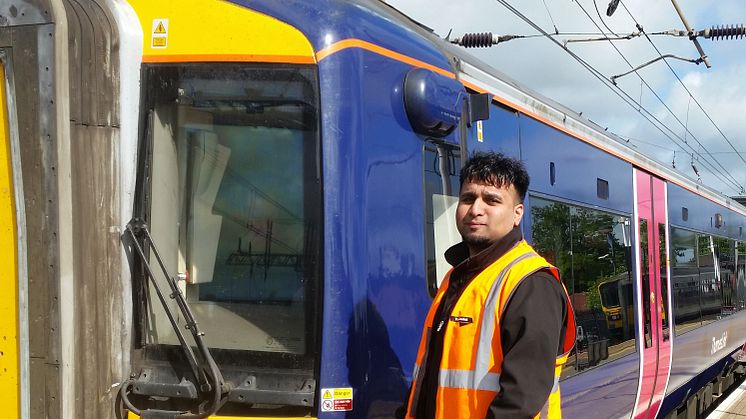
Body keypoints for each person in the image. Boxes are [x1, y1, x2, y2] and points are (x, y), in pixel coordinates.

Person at [404, 152, 576, 419]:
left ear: (517, 214)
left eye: (492, 200)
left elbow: (519, 403)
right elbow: (429, 376)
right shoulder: (457, 277)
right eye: (468, 198)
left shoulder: (531, 282)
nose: (475, 209)